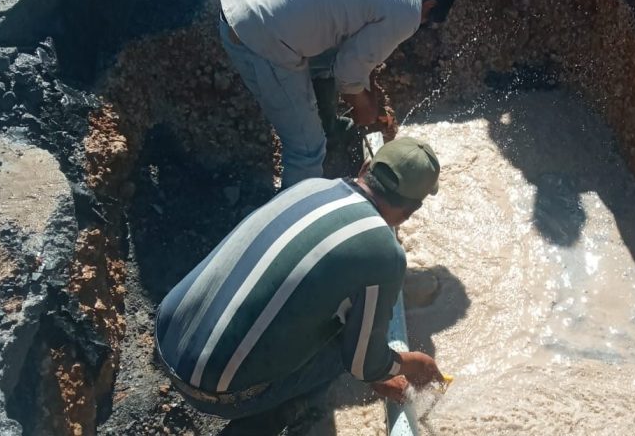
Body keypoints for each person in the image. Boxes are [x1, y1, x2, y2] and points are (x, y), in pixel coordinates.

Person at [155, 137, 444, 431]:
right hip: (208, 388)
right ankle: (270, 419)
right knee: (341, 351)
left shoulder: (314, 186)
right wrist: (413, 364)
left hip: (166, 337)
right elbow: (363, 364)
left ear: (365, 166)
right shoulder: (385, 253)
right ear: (410, 211)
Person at [218, 0, 457, 187]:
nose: (420, 23)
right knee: (307, 151)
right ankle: (294, 229)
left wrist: (371, 98)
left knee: (328, 61)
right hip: (260, 35)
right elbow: (349, 74)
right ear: (431, 5)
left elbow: (357, 55)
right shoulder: (409, 10)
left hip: (244, 5)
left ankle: (328, 128)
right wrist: (365, 109)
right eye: (426, 19)